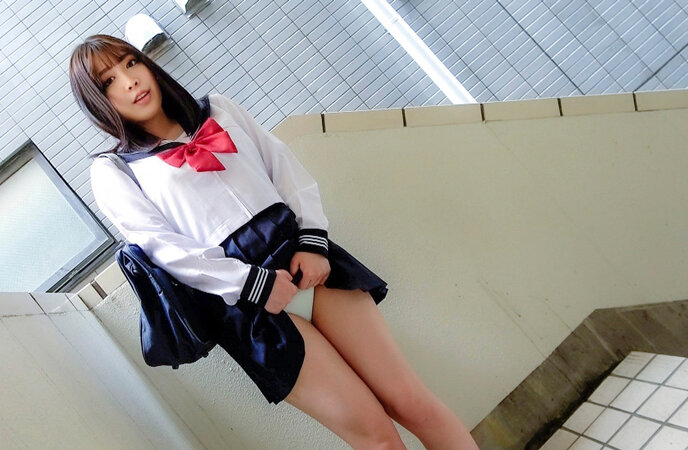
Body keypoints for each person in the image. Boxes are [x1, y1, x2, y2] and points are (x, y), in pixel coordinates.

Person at [69, 34, 478, 450]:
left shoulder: (220, 108)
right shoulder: (113, 171)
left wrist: (313, 241)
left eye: (131, 63)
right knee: (377, 439)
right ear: (98, 103)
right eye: (108, 81)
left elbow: (283, 167)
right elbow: (163, 248)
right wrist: (252, 284)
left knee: (412, 403)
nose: (130, 81)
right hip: (246, 305)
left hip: (304, 259)